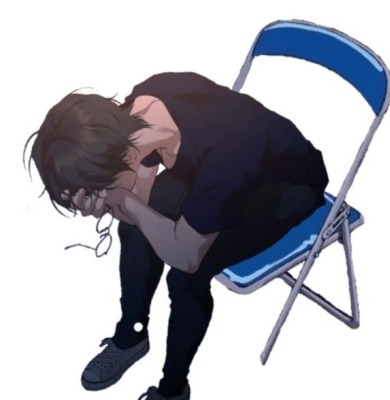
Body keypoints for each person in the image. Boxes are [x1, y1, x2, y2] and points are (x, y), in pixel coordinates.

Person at [26, 71, 329, 400]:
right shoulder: (140, 112)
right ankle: (132, 334)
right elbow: (141, 197)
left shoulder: (224, 156)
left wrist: (122, 200)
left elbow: (185, 256)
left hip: (286, 187)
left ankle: (173, 390)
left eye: (98, 189)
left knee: (187, 279)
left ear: (123, 157)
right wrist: (120, 201)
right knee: (136, 228)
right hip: (221, 175)